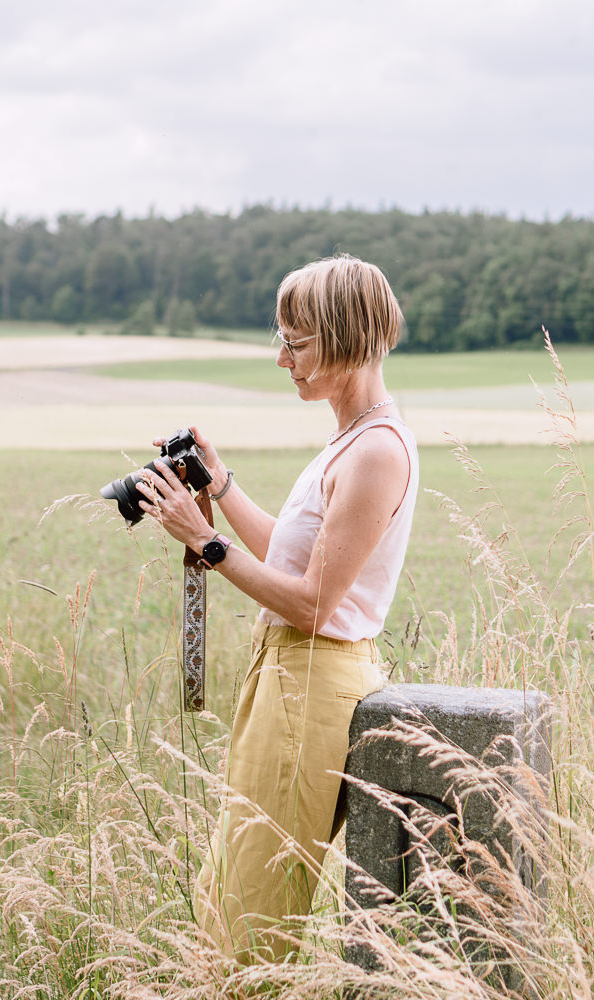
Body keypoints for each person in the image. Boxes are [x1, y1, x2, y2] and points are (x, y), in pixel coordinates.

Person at [135, 254, 419, 962]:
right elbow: (289, 560)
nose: (281, 358)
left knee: (256, 904)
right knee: (235, 879)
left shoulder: (375, 452)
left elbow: (315, 606)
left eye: (295, 341)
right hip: (288, 674)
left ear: (345, 336)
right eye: (280, 338)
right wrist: (219, 483)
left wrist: (204, 543)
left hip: (314, 676)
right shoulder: (349, 441)